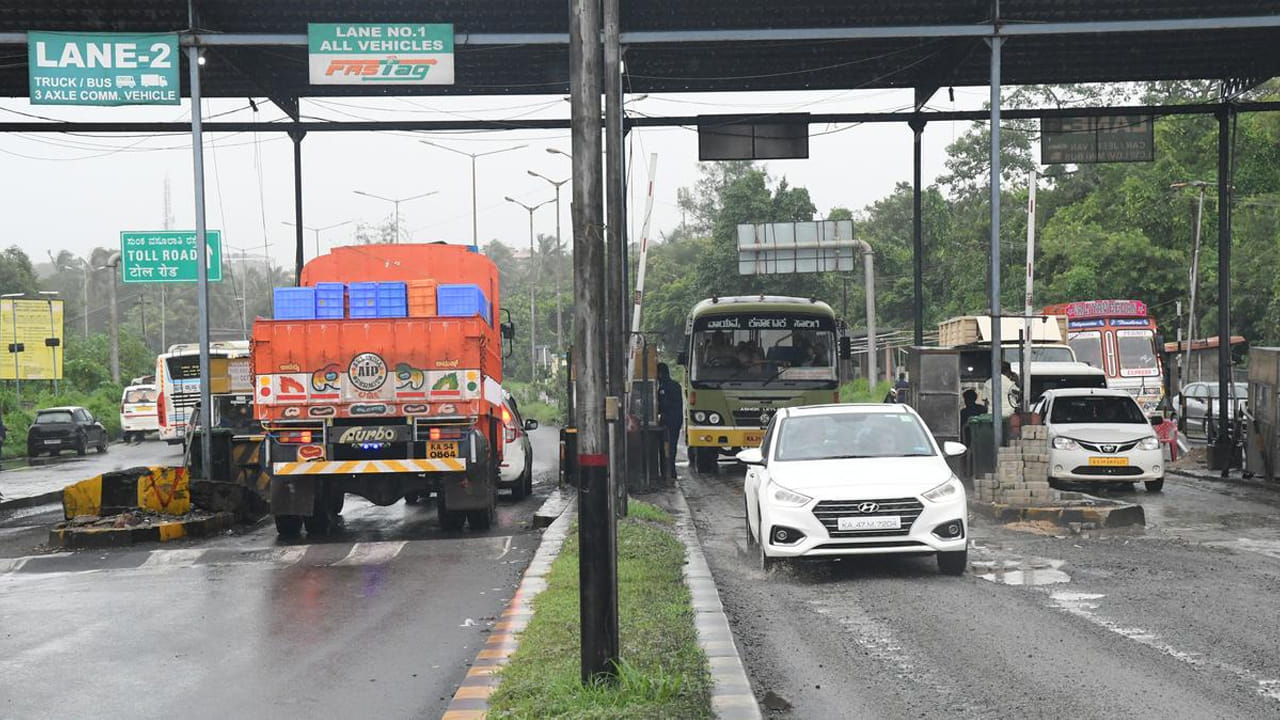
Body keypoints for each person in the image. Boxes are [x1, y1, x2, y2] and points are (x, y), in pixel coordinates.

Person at [656, 363, 684, 479]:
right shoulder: (676, 385)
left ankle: (667, 472)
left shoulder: (663, 387)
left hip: (668, 420)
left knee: (667, 446)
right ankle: (671, 472)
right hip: (677, 420)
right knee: (672, 446)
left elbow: (664, 404)